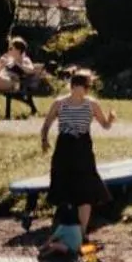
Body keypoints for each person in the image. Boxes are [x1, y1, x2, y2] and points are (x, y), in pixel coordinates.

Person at [38, 69, 115, 239]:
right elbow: (47, 124)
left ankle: (82, 232)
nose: (84, 91)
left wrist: (110, 119)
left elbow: (105, 125)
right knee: (63, 185)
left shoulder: (91, 104)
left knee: (86, 189)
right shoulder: (60, 103)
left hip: (82, 147)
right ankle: (64, 228)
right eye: (82, 87)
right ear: (73, 86)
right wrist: (44, 140)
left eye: (86, 87)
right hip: (64, 146)